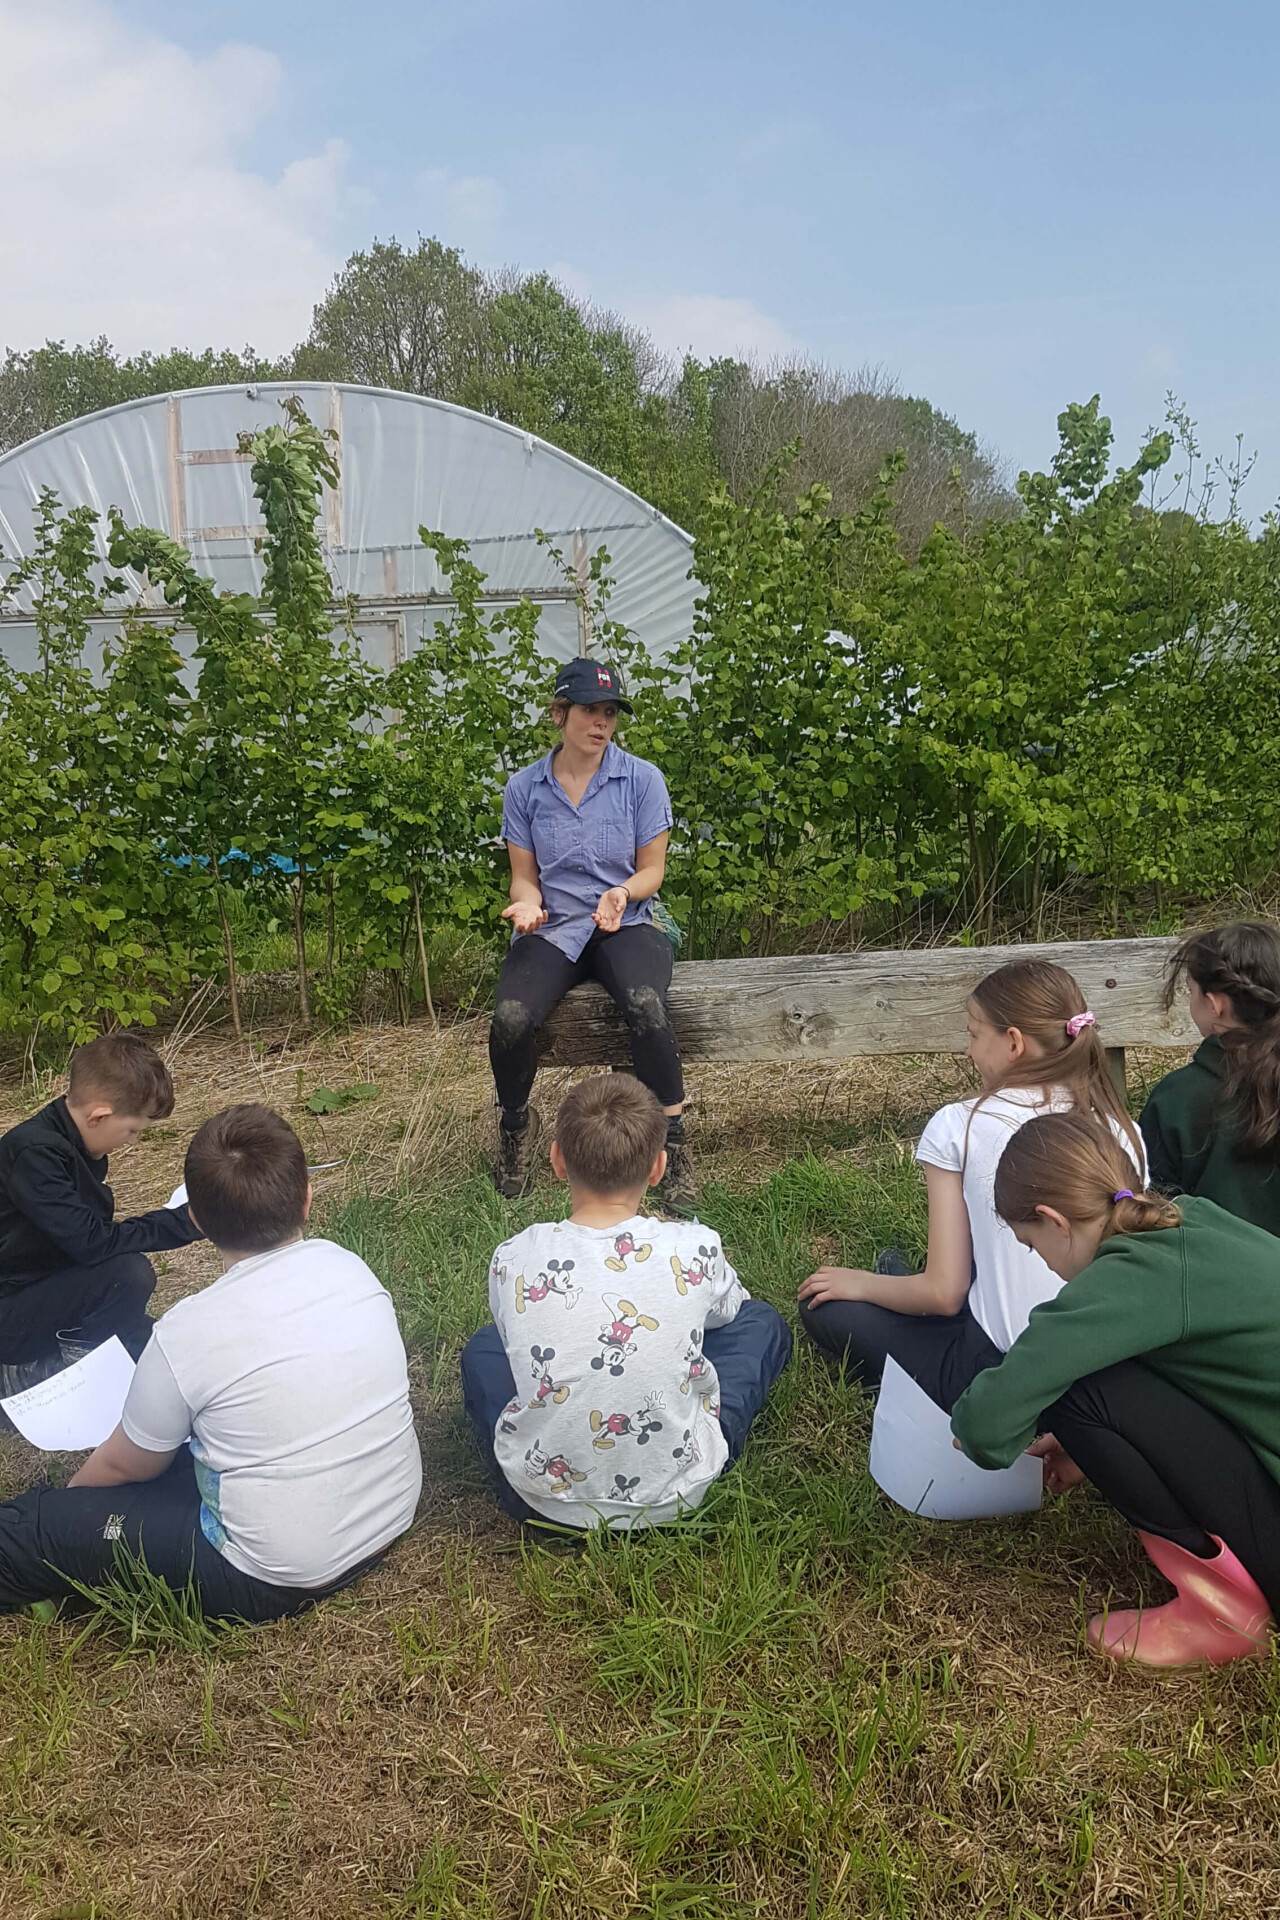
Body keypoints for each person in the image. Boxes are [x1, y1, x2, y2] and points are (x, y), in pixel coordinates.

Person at [0, 1104, 422, 1623]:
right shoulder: (350, 1268)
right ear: (307, 1198)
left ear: (195, 1218)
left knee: (29, 1524)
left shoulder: (188, 1331)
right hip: (389, 1516)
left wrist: (69, 1522)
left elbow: (123, 1466)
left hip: (267, 1575)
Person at [951, 1111, 1280, 1669]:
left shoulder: (1123, 1278)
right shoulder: (1191, 1219)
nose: (1047, 1266)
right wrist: (1091, 1446)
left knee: (1076, 1385)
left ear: (1055, 1221)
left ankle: (1218, 1611)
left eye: (1034, 1247)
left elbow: (985, 1424)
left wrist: (973, 1431)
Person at [798, 960, 1145, 1412]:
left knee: (824, 1306)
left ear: (1014, 1042)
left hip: (1000, 1378)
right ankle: (897, 1280)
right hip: (1111, 1372)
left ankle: (905, 1349)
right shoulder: (1124, 1129)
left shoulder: (959, 1124)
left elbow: (944, 1294)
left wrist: (860, 1284)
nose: (969, 1051)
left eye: (974, 1034)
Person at [460, 1073, 791, 1531]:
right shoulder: (695, 1247)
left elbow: (512, 1330)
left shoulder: (514, 1256)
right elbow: (729, 1311)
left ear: (557, 1160)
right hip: (678, 1490)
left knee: (483, 1348)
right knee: (761, 1323)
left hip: (538, 1499)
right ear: (657, 1168)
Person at [489, 658, 693, 1211]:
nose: (601, 723)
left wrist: (625, 892)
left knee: (647, 1005)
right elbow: (524, 876)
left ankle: (672, 1142)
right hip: (555, 927)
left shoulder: (642, 779)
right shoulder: (524, 788)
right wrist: (527, 906)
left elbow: (654, 869)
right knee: (509, 1019)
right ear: (560, 714)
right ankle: (514, 1127)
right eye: (589, 711)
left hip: (624, 918)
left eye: (610, 713)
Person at [0, 1032, 202, 1396]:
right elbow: (92, 1243)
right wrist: (184, 1222)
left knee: (162, 1349)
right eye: (131, 1130)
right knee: (128, 1274)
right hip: (10, 1310)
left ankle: (99, 1354)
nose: (132, 1141)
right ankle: (47, 1379)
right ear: (99, 1116)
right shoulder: (35, 1155)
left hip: (44, 1286)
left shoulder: (71, 1144)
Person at [1140, 921, 1280, 1233]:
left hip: (1221, 1279)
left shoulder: (1176, 1100)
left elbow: (1158, 1223)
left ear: (1215, 1004)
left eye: (1191, 991)